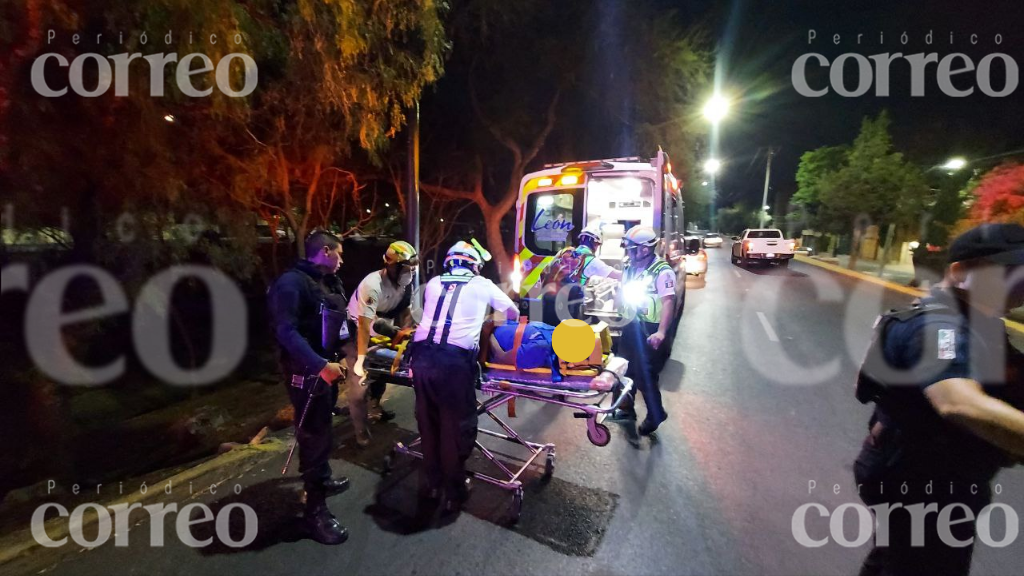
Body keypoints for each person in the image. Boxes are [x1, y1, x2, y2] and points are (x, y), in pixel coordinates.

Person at [854, 223, 1024, 576]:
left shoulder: (975, 320)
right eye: (1009, 273)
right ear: (960, 272)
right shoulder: (939, 327)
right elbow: (959, 403)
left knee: (896, 559)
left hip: (923, 473)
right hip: (924, 483)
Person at [409, 239, 518, 513]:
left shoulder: (433, 283)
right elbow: (512, 312)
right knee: (455, 426)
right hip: (453, 362)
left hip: (420, 356)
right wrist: (489, 321)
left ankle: (432, 485)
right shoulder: (482, 284)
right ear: (475, 266)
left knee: (429, 423)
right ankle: (454, 491)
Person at [267, 230, 352, 545]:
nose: (342, 260)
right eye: (339, 253)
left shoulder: (327, 282)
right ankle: (314, 513)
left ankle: (323, 479)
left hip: (327, 370)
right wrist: (319, 365)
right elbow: (286, 332)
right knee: (314, 436)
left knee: (323, 428)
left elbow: (338, 323)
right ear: (326, 251)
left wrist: (349, 356)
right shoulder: (291, 283)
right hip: (307, 373)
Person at [342, 240, 419, 447]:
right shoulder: (372, 285)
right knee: (359, 382)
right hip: (358, 331)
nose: (409, 273)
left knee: (382, 372)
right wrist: (360, 358)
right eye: (405, 268)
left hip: (383, 330)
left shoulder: (405, 284)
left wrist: (408, 334)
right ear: (391, 266)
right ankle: (361, 432)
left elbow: (405, 312)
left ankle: (375, 407)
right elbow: (365, 326)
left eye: (412, 269)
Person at [614, 225, 677, 436]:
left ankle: (656, 413)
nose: (628, 252)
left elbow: (668, 302)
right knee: (623, 366)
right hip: (631, 325)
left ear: (644, 249)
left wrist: (661, 332)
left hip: (650, 329)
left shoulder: (662, 271)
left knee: (645, 374)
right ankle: (625, 408)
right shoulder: (630, 268)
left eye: (632, 249)